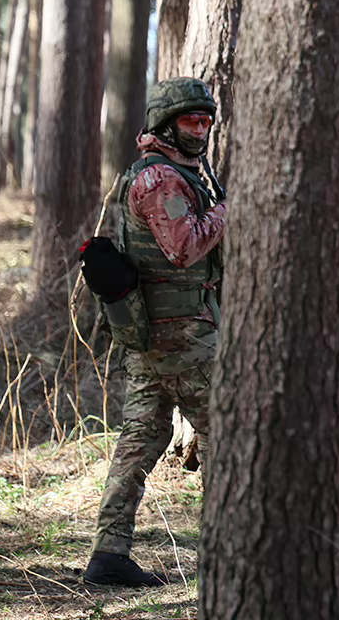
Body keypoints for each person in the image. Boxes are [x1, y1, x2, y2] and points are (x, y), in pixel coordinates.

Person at [83, 78, 228, 589]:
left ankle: (109, 553)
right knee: (227, 431)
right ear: (166, 125)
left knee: (142, 438)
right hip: (180, 336)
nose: (200, 129)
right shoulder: (160, 179)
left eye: (206, 120)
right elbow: (184, 248)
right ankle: (229, 552)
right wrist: (228, 211)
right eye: (190, 120)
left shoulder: (175, 172)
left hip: (155, 334)